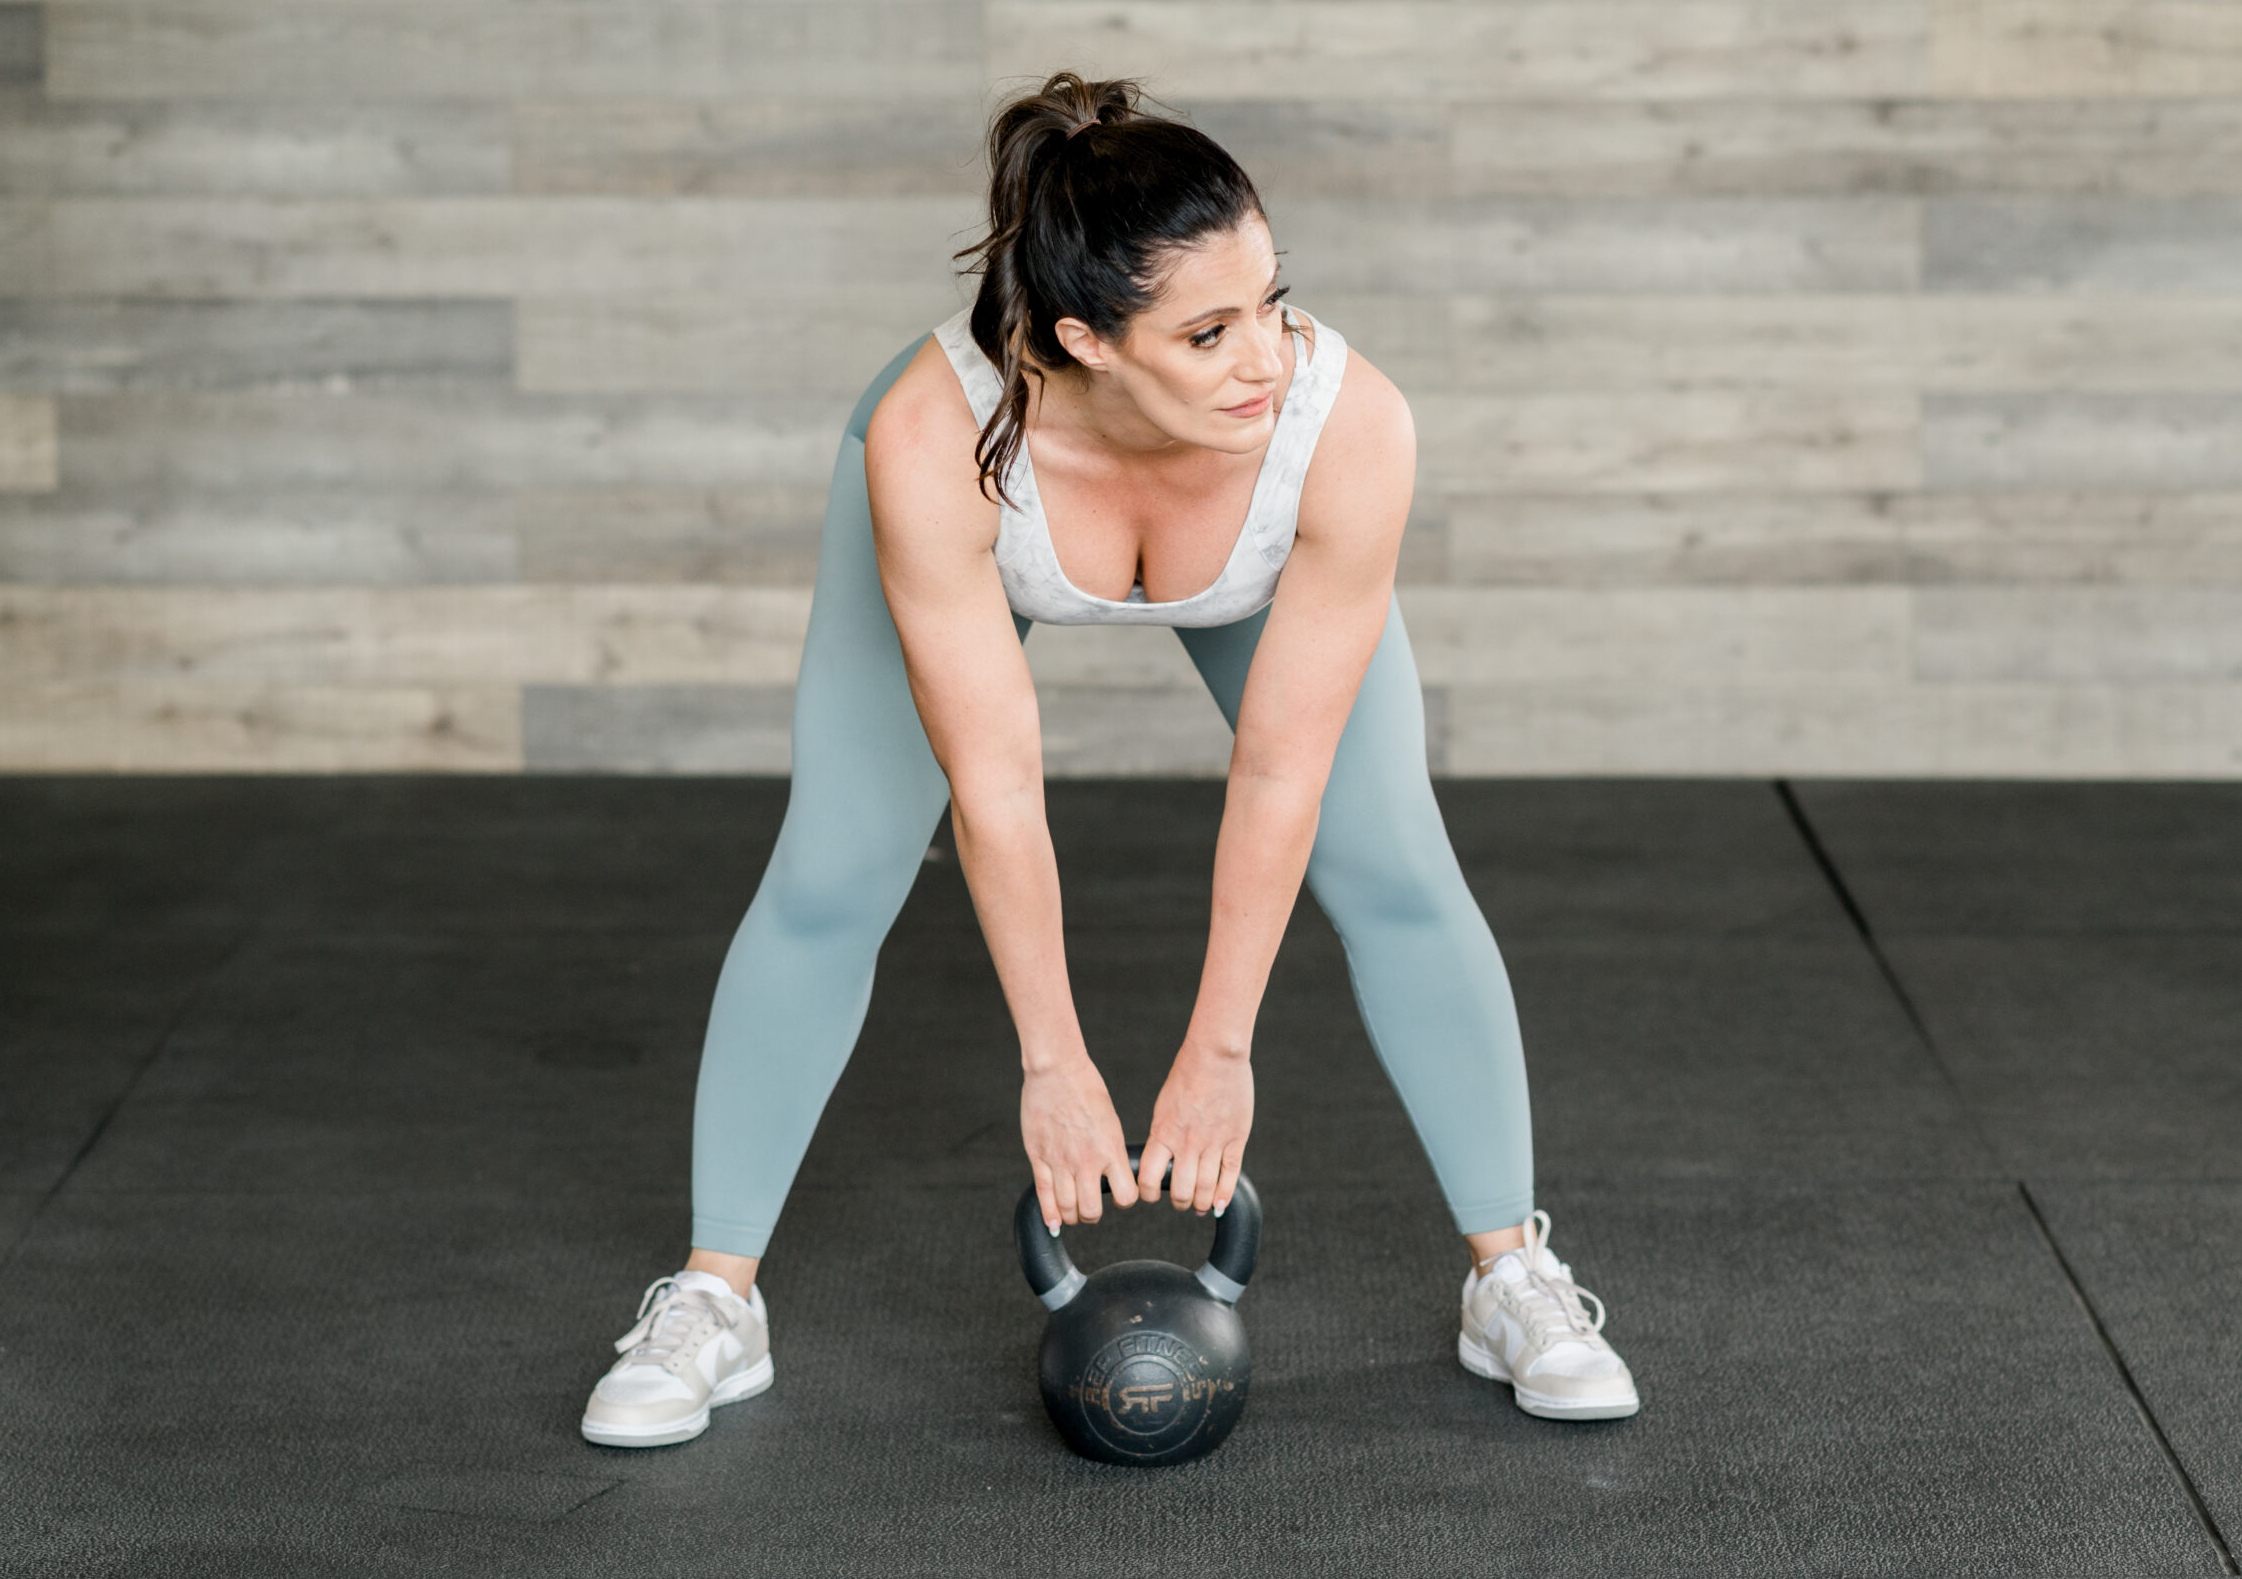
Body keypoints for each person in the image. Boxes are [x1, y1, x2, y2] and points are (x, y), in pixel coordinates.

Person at [579, 73, 1638, 1448]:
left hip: (1249, 553)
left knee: (1394, 868)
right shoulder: (932, 437)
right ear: (1082, 337)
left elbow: (1278, 773)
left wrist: (1220, 1047)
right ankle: (714, 1301)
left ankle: (1513, 1276)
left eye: (1273, 297)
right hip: (994, 500)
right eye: (1208, 331)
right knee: (834, 873)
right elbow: (997, 787)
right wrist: (1053, 1063)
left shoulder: (1341, 427)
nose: (1268, 353)